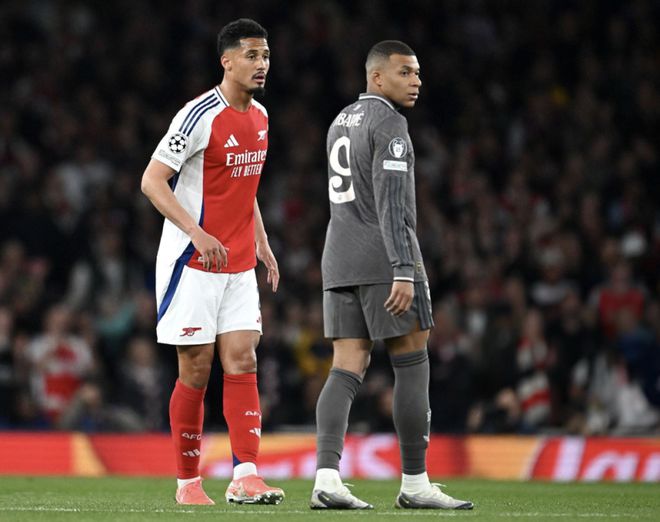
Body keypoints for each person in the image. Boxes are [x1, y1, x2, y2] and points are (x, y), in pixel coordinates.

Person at [311, 40, 474, 510]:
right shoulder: (390, 123)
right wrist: (404, 267)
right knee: (412, 360)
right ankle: (415, 483)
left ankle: (326, 479)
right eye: (405, 72)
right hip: (384, 259)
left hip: (338, 257)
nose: (416, 81)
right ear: (377, 77)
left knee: (346, 366)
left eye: (418, 73)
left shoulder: (340, 120)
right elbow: (391, 202)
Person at [141, 18, 283, 506]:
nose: (261, 64)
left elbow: (245, 187)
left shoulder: (261, 116)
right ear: (227, 61)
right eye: (251, 55)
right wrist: (196, 233)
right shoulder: (198, 115)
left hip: (238, 263)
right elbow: (152, 181)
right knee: (196, 368)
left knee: (243, 358)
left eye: (266, 56)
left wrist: (261, 240)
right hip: (192, 262)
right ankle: (188, 483)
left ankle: (246, 475)